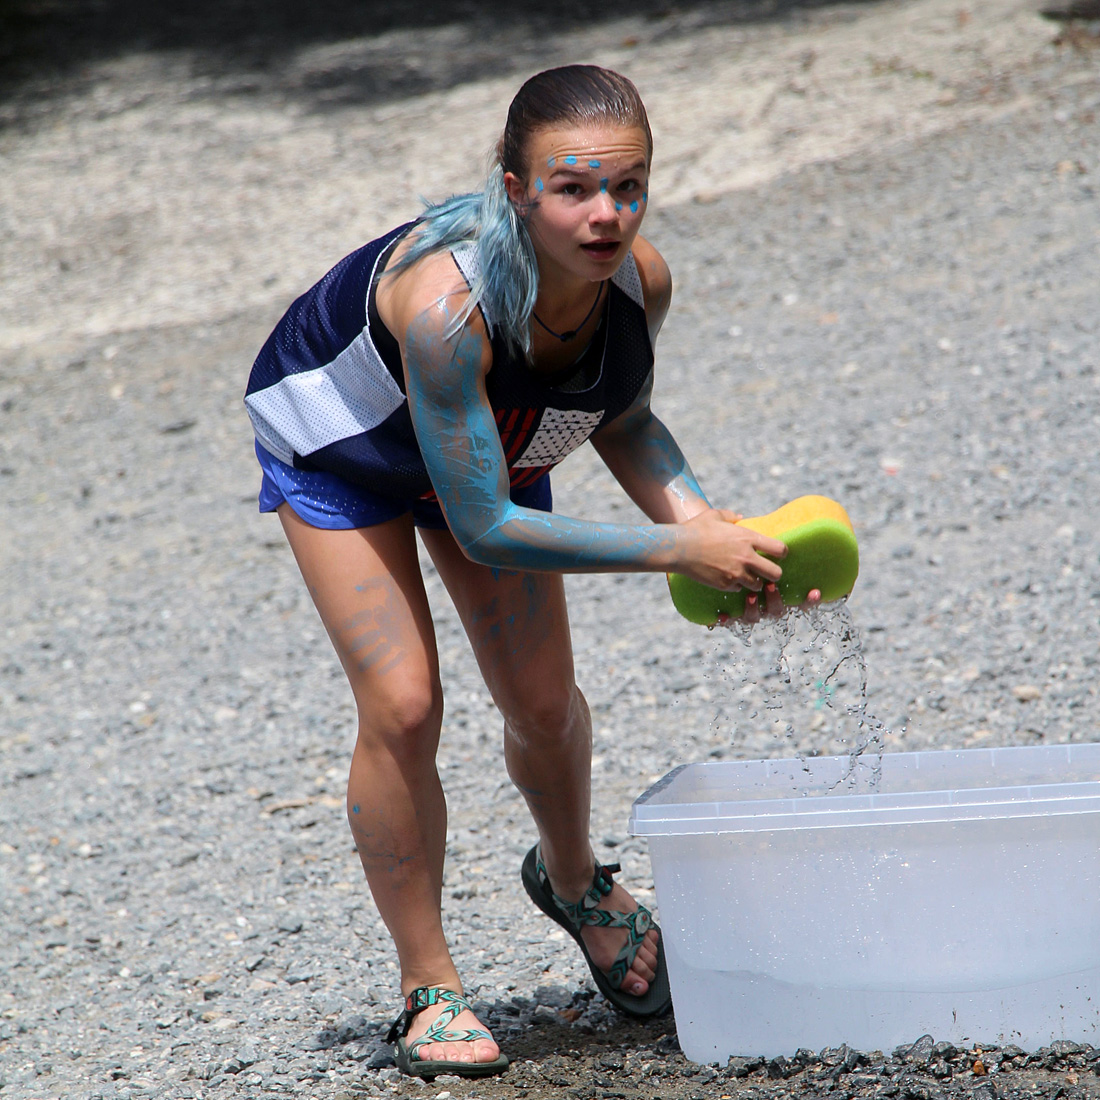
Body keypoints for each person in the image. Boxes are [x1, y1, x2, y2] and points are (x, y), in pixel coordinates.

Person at [244, 64, 814, 1079]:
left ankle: (572, 877)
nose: (606, 215)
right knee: (405, 703)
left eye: (627, 187)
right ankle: (429, 982)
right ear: (513, 188)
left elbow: (620, 418)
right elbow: (490, 527)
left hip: (486, 449)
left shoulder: (640, 283)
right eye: (573, 188)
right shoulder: (445, 308)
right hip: (343, 448)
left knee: (544, 705)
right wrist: (676, 549)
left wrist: (715, 531)